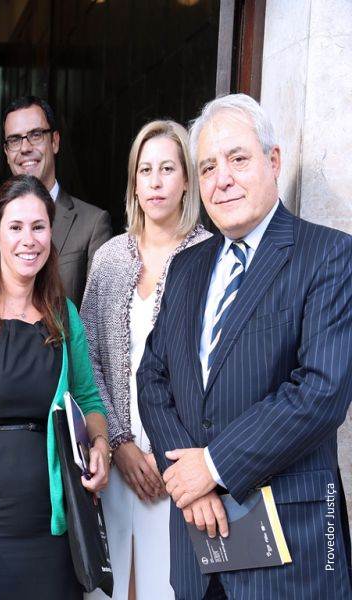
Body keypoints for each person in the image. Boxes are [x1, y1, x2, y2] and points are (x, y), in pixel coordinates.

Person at [138, 93, 352, 599]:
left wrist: (212, 468)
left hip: (290, 555)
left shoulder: (327, 255)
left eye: (238, 159)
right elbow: (152, 377)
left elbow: (322, 391)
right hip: (198, 551)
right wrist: (184, 478)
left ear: (273, 161)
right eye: (208, 166)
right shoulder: (188, 267)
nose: (222, 178)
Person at [0, 174, 111, 599]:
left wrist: (101, 446)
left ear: (52, 234)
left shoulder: (63, 315)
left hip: (53, 532)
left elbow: (88, 399)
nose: (28, 240)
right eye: (15, 227)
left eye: (39, 227)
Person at [80, 120, 210, 600]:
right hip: (112, 459)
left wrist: (166, 452)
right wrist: (118, 442)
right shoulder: (112, 257)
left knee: (167, 588)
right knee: (110, 588)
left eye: (167, 169)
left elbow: (216, 367)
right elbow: (86, 356)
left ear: (186, 180)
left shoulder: (210, 254)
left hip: (180, 463)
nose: (155, 182)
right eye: (145, 170)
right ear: (133, 181)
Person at [0, 96, 112, 303]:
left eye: (35, 135)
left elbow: (99, 315)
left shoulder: (92, 224)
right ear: (6, 152)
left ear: (55, 141)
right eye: (14, 140)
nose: (25, 148)